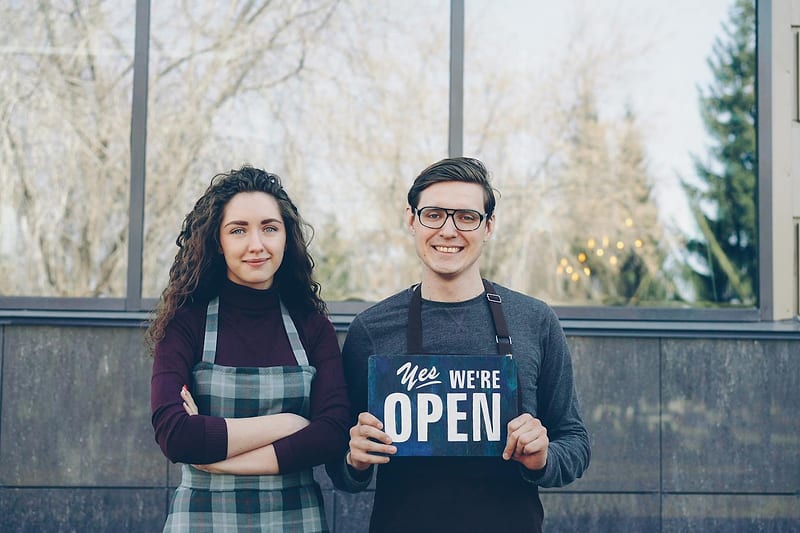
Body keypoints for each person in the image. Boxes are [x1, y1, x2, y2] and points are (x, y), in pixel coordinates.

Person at [327, 157, 590, 532]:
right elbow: (339, 465)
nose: (448, 231)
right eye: (434, 214)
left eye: (466, 217)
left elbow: (575, 441)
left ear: (489, 226)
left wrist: (544, 457)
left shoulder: (534, 321)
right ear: (411, 220)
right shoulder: (371, 329)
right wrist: (354, 458)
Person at [148, 165, 350, 532]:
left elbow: (333, 434)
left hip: (295, 520)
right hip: (201, 521)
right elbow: (176, 435)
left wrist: (220, 459)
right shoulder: (186, 322)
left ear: (286, 238)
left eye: (269, 228)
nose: (256, 244)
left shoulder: (311, 324)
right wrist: (289, 424)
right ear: (217, 241)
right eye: (238, 230)